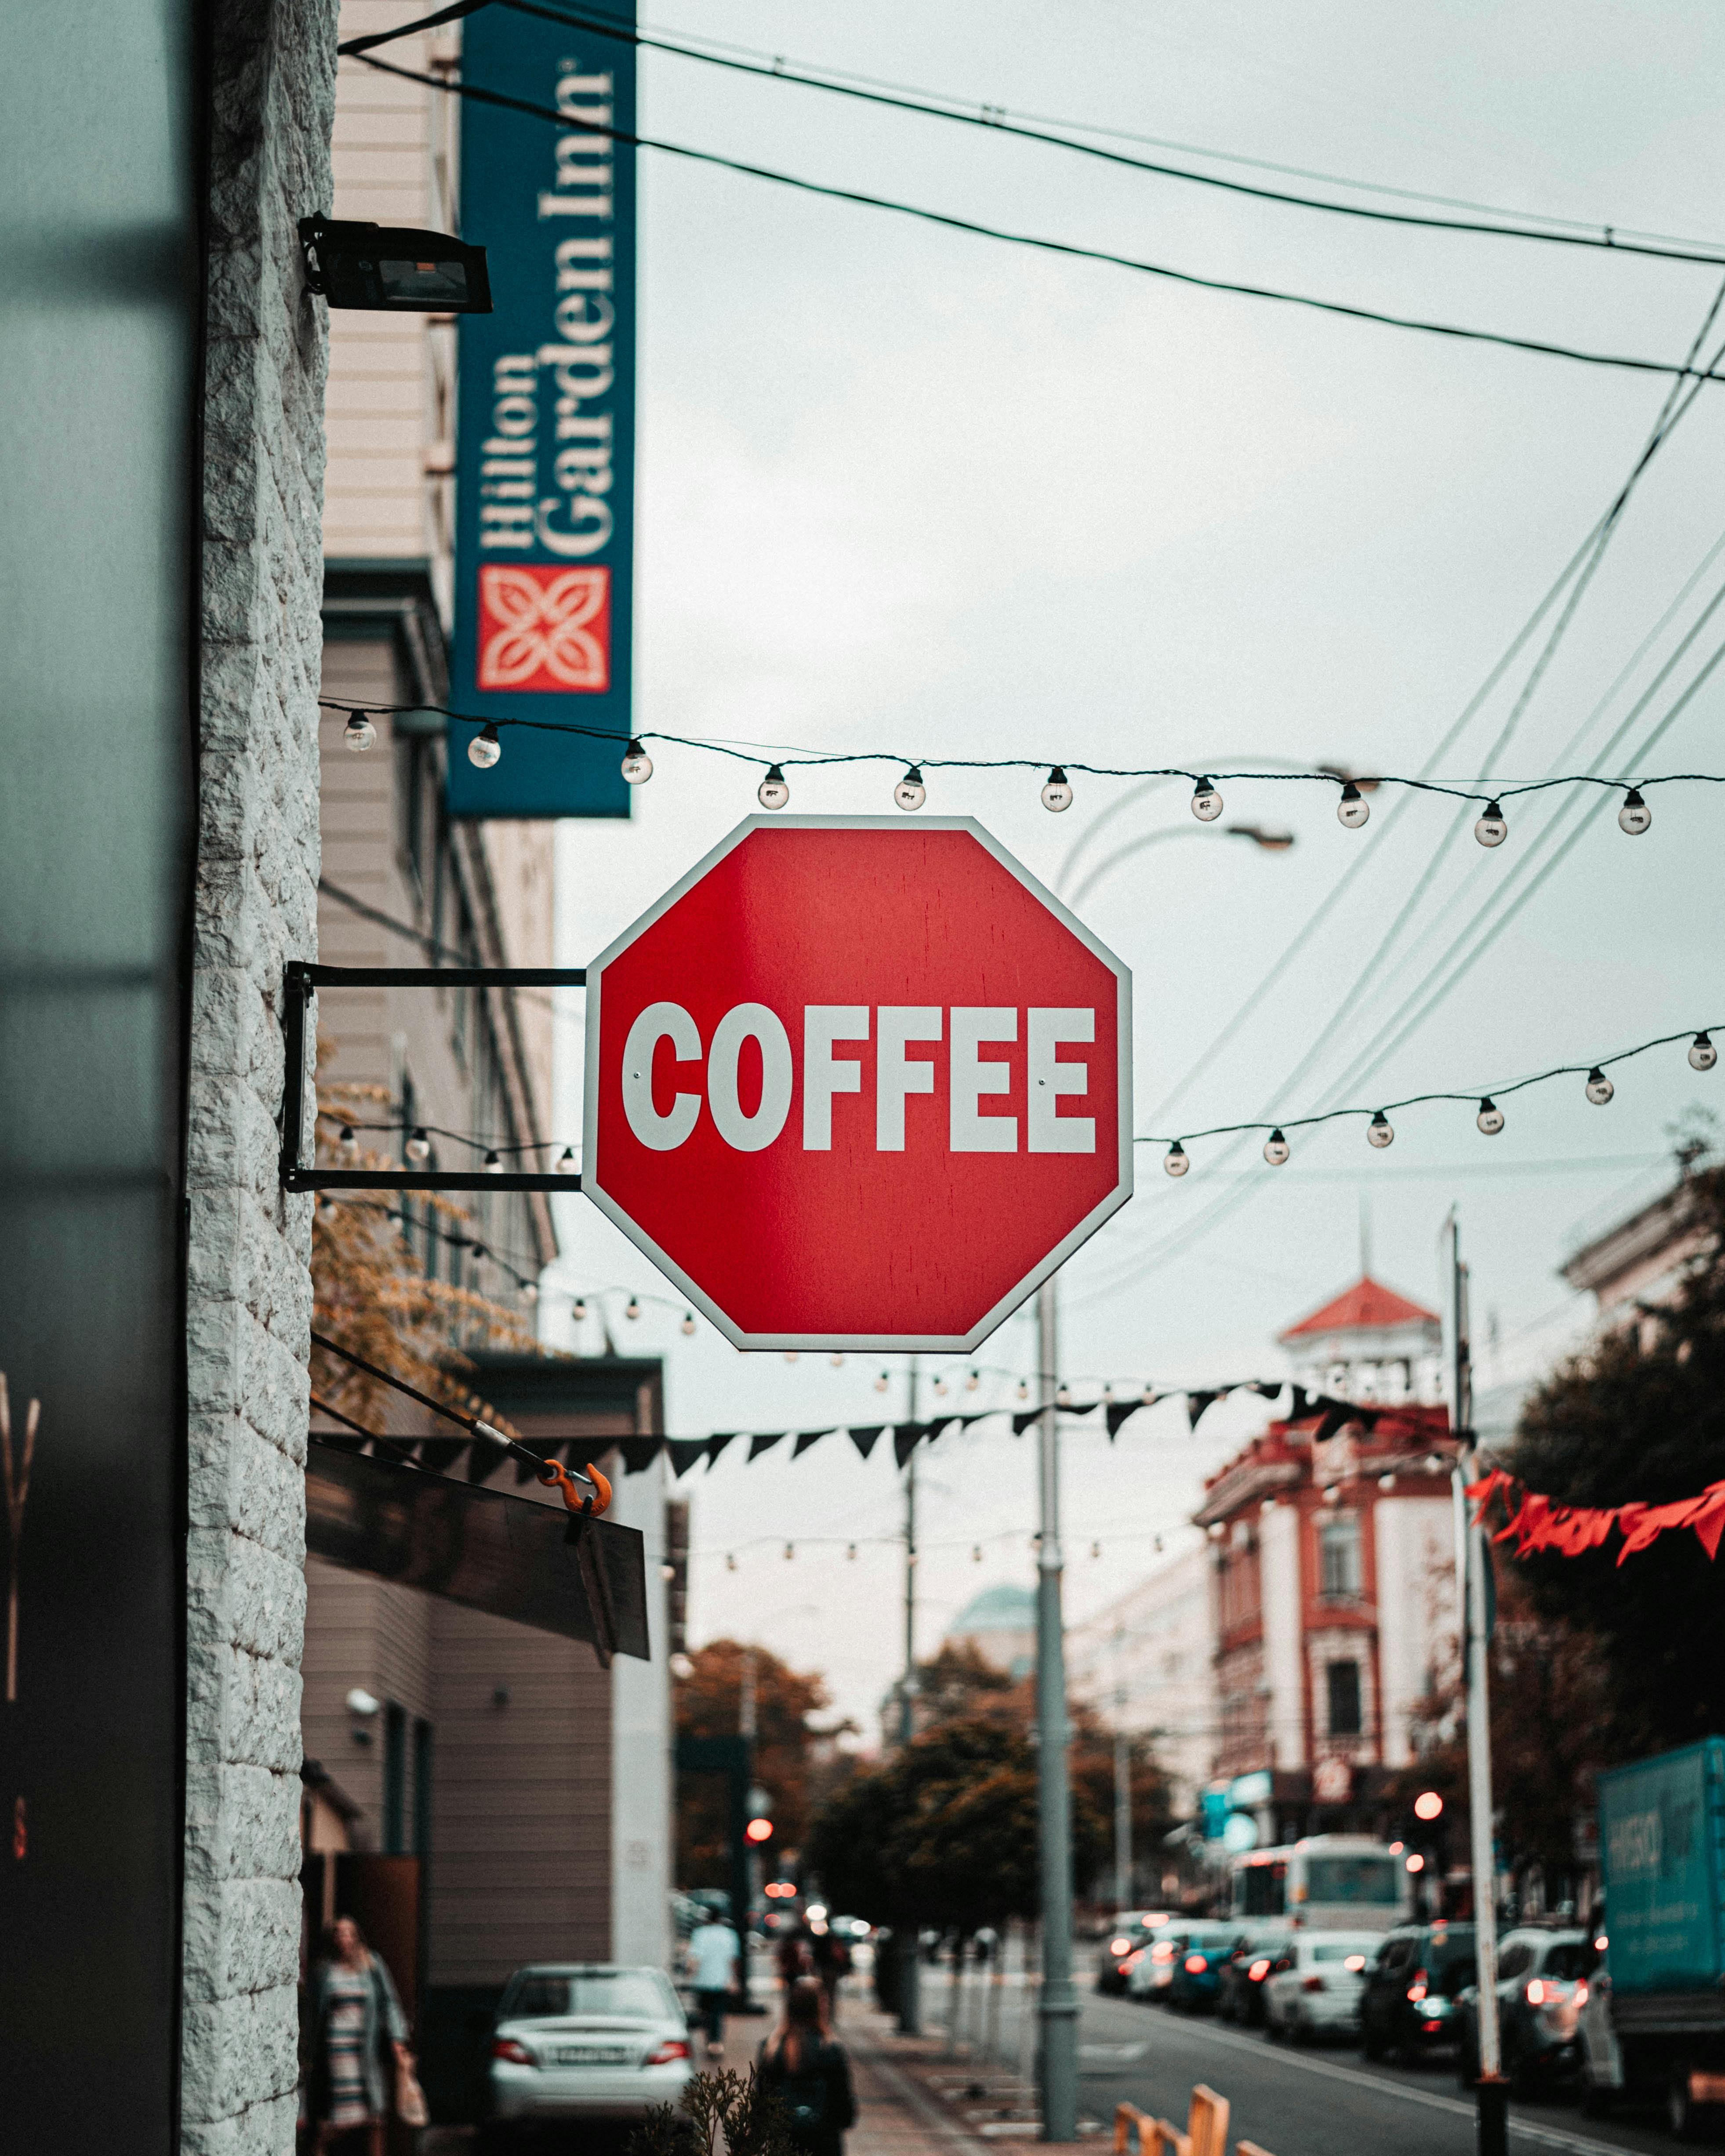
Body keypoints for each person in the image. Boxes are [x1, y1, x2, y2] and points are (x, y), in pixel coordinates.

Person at [304, 1916, 412, 2155]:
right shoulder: (324, 1971)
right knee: (340, 2118)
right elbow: (313, 2013)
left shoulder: (371, 1964)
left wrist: (397, 2038)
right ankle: (317, 2149)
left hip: (366, 2048)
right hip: (338, 2049)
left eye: (349, 1932)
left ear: (357, 1936)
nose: (344, 1938)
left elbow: (389, 2001)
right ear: (333, 1939)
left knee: (375, 2117)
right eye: (339, 1933)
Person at [758, 1977, 857, 2156]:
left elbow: (761, 2105)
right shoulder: (831, 2051)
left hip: (783, 2143)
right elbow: (845, 2112)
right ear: (821, 2009)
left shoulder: (771, 2050)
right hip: (824, 2143)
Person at [686, 1907, 742, 2059]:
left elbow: (695, 1958)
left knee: (706, 2013)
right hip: (722, 1980)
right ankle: (716, 2043)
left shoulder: (700, 1934)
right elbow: (733, 1959)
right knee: (718, 2013)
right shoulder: (729, 1935)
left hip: (703, 1980)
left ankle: (710, 2041)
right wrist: (734, 1979)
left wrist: (689, 1973)